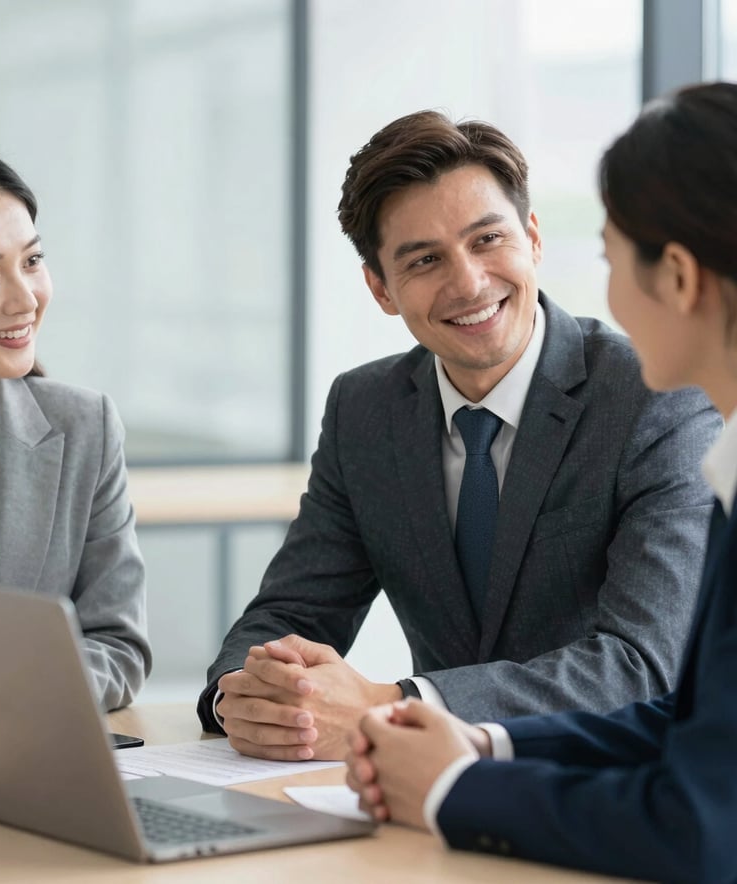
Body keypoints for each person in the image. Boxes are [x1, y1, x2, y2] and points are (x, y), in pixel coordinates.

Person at [197, 108, 721, 761]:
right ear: (380, 289)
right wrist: (243, 698)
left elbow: (640, 666)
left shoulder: (653, 398)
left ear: (533, 237)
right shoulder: (366, 409)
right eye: (424, 260)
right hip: (429, 808)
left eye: (486, 240)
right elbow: (292, 613)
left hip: (605, 785)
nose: (468, 282)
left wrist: (392, 703)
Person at [345, 80, 737, 884]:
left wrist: (455, 790)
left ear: (680, 277)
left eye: (608, 254)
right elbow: (695, 724)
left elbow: (703, 825)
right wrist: (484, 743)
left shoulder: (657, 414)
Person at [0, 145, 150, 710]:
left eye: (32, 261)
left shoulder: (84, 429)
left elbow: (118, 646)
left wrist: (7, 694)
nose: (25, 299)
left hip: (18, 776)